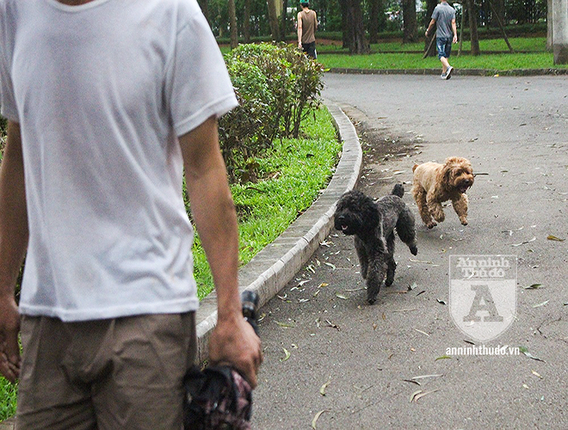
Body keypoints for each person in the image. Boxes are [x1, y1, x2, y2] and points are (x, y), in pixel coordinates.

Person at [0, 0, 262, 429]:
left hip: (147, 315)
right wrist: (2, 288)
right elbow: (20, 145)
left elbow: (205, 169)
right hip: (48, 319)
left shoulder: (171, 12)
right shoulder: (15, 10)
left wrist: (230, 314)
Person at [425, 0, 458, 79]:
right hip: (449, 36)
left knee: (441, 55)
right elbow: (453, 23)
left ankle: (448, 67)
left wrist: (428, 30)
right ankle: (444, 73)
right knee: (446, 55)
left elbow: (433, 21)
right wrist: (455, 35)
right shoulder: (451, 9)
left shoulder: (438, 8)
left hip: (440, 36)